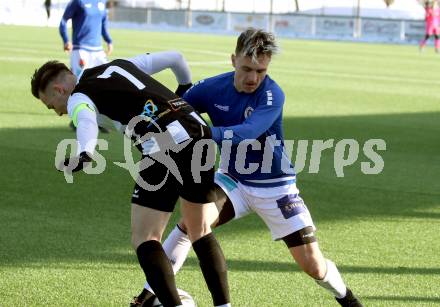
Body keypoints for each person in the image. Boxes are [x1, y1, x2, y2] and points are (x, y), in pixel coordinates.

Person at [133, 28, 363, 307]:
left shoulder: (272, 95)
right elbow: (176, 110)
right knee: (192, 225)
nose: (253, 78)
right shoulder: (212, 87)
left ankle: (347, 299)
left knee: (313, 265)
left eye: (261, 71)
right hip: (233, 180)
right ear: (233, 60)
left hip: (276, 189)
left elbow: (248, 131)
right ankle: (149, 293)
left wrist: (201, 134)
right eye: (246, 68)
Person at [30, 53, 231, 307]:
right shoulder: (120, 64)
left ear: (59, 90)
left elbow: (84, 119)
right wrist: (183, 86)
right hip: (199, 131)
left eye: (52, 106)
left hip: (164, 144)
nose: (58, 112)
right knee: (199, 229)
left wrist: (85, 153)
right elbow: (176, 57)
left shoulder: (78, 96)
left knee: (145, 237)